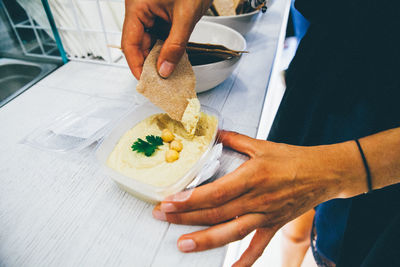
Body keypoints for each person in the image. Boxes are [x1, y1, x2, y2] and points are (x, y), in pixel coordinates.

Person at [121, 0, 400, 266]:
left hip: (386, 140)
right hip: (330, 57)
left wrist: (341, 170)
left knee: (338, 245)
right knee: (291, 216)